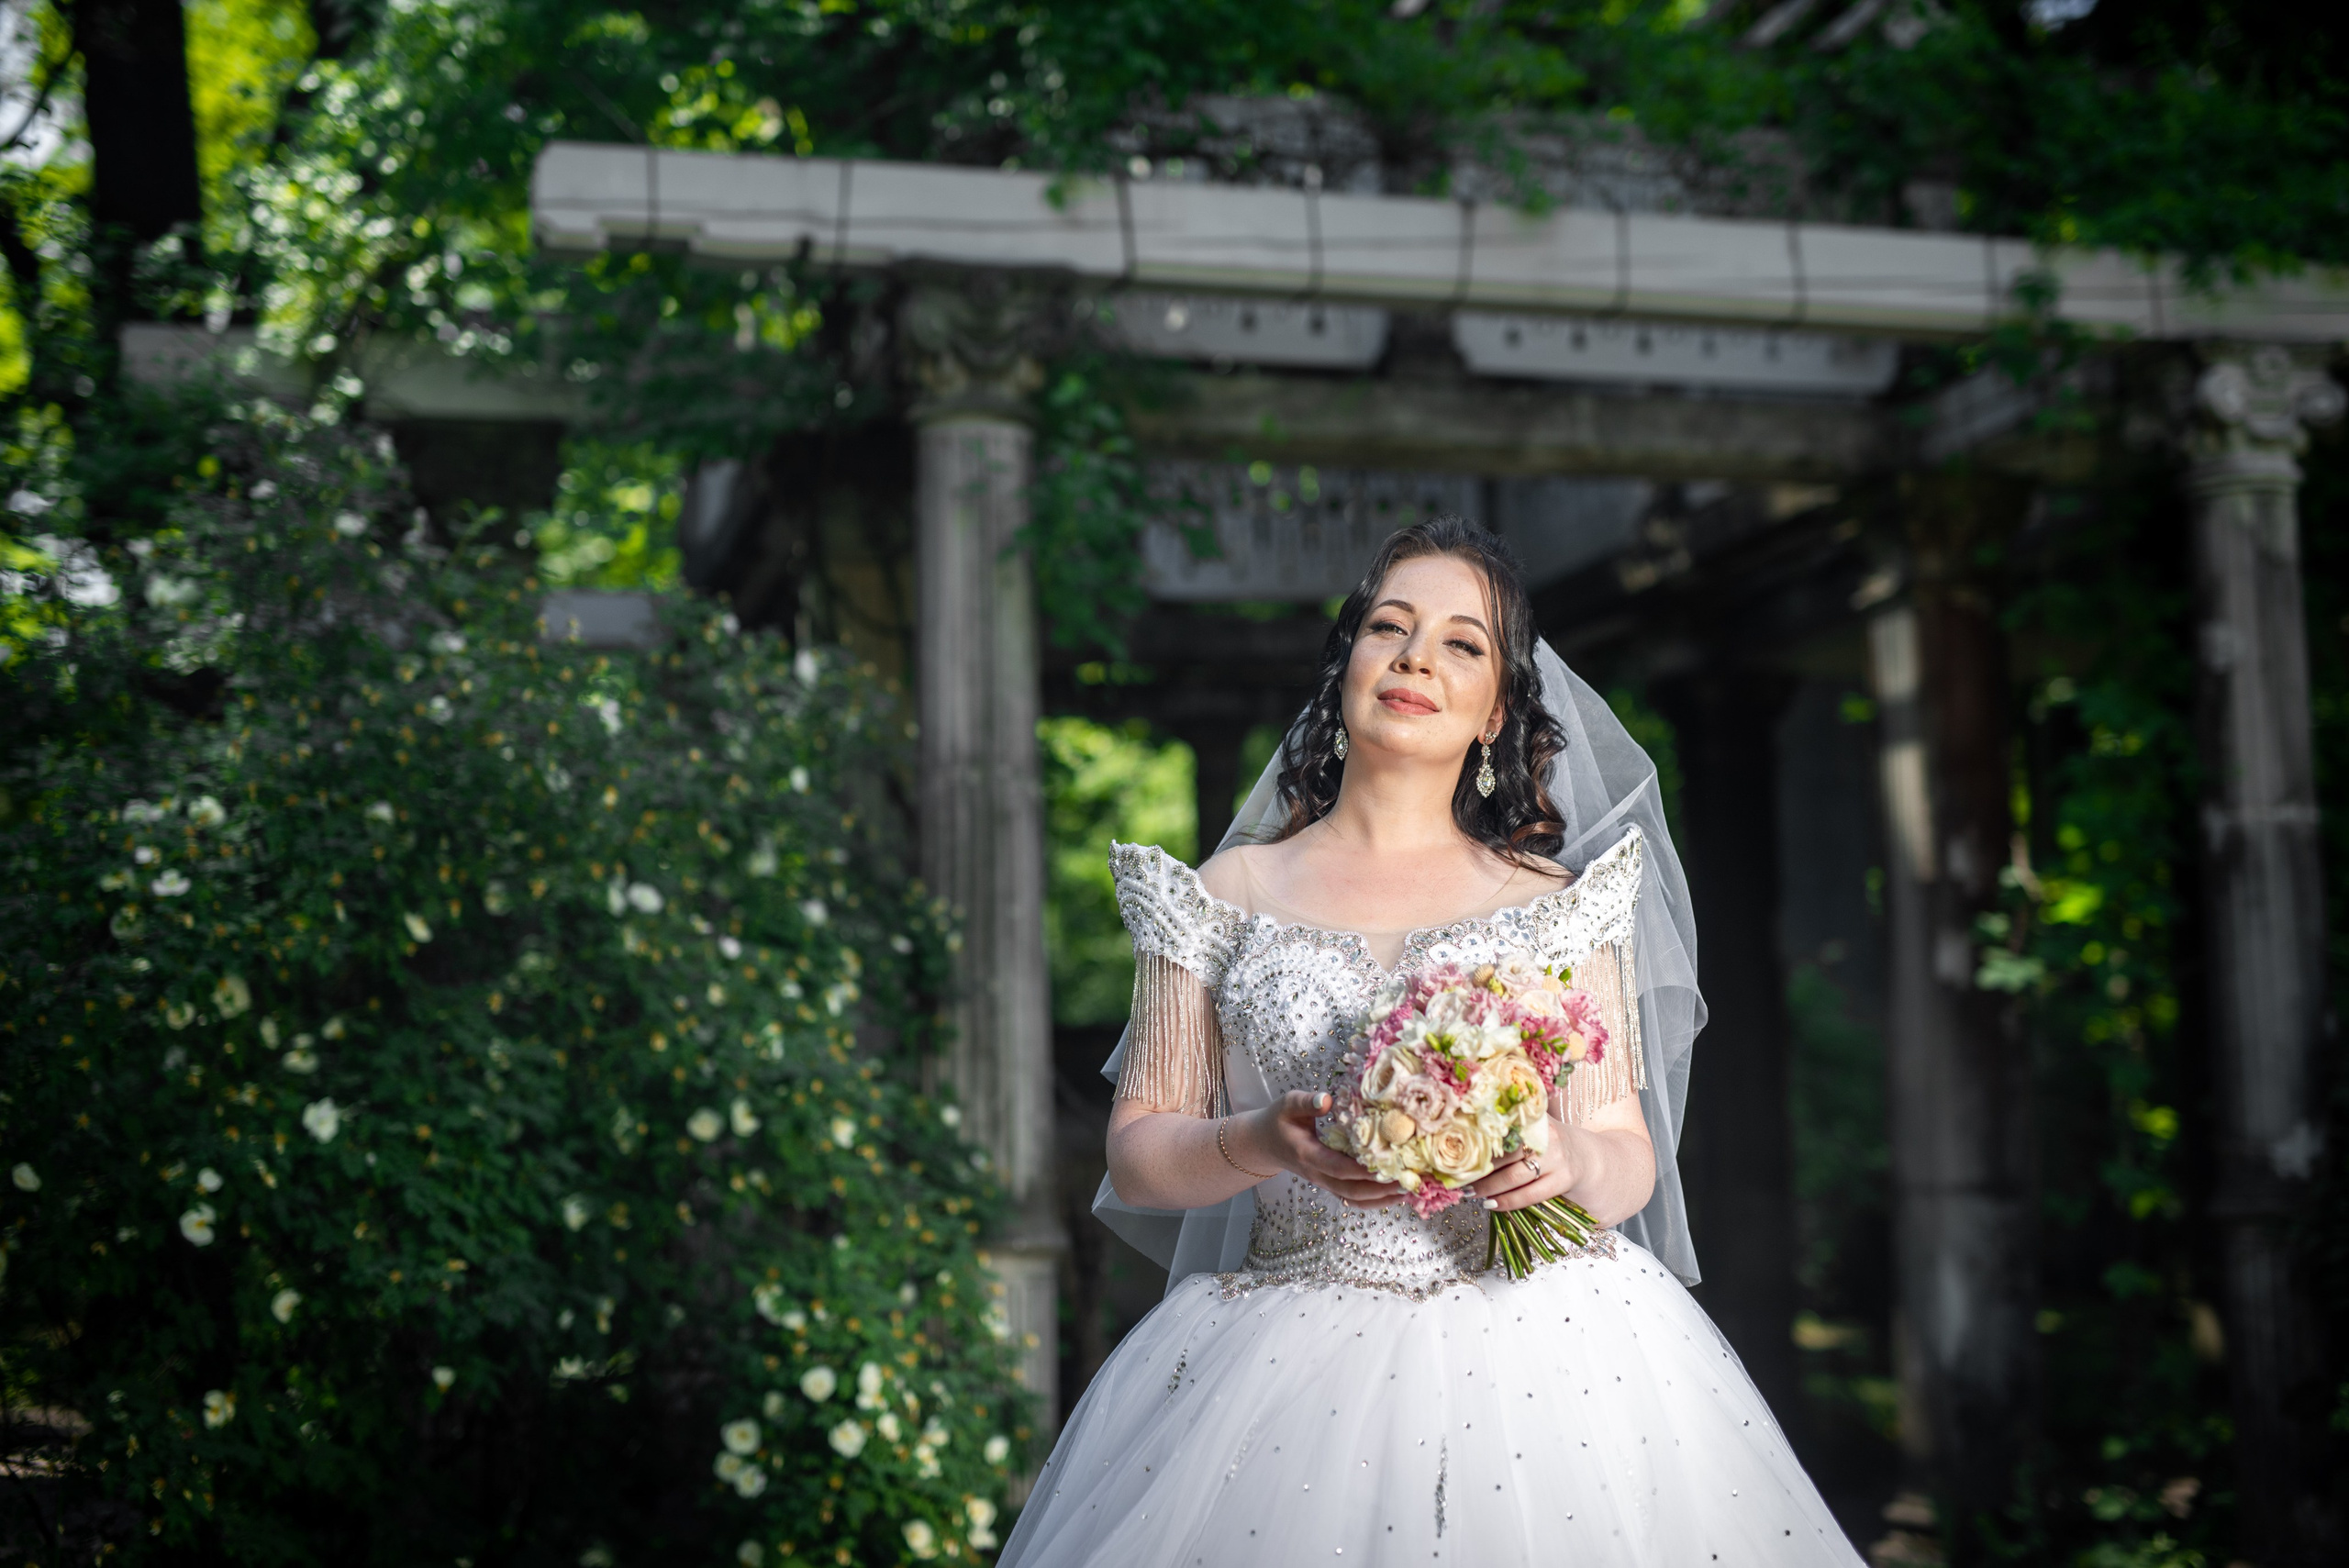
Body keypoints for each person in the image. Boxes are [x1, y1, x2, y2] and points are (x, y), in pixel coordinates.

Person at [996, 517, 1863, 1566]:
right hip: (1278, 1353)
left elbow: (1625, 1155)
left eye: (1461, 642)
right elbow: (1138, 1153)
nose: (1414, 657)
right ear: (1346, 665)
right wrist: (1262, 1139)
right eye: (1388, 627)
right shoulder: (1222, 894)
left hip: (1547, 1351)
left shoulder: (1557, 906)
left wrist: (1562, 1157)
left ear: (1496, 710)